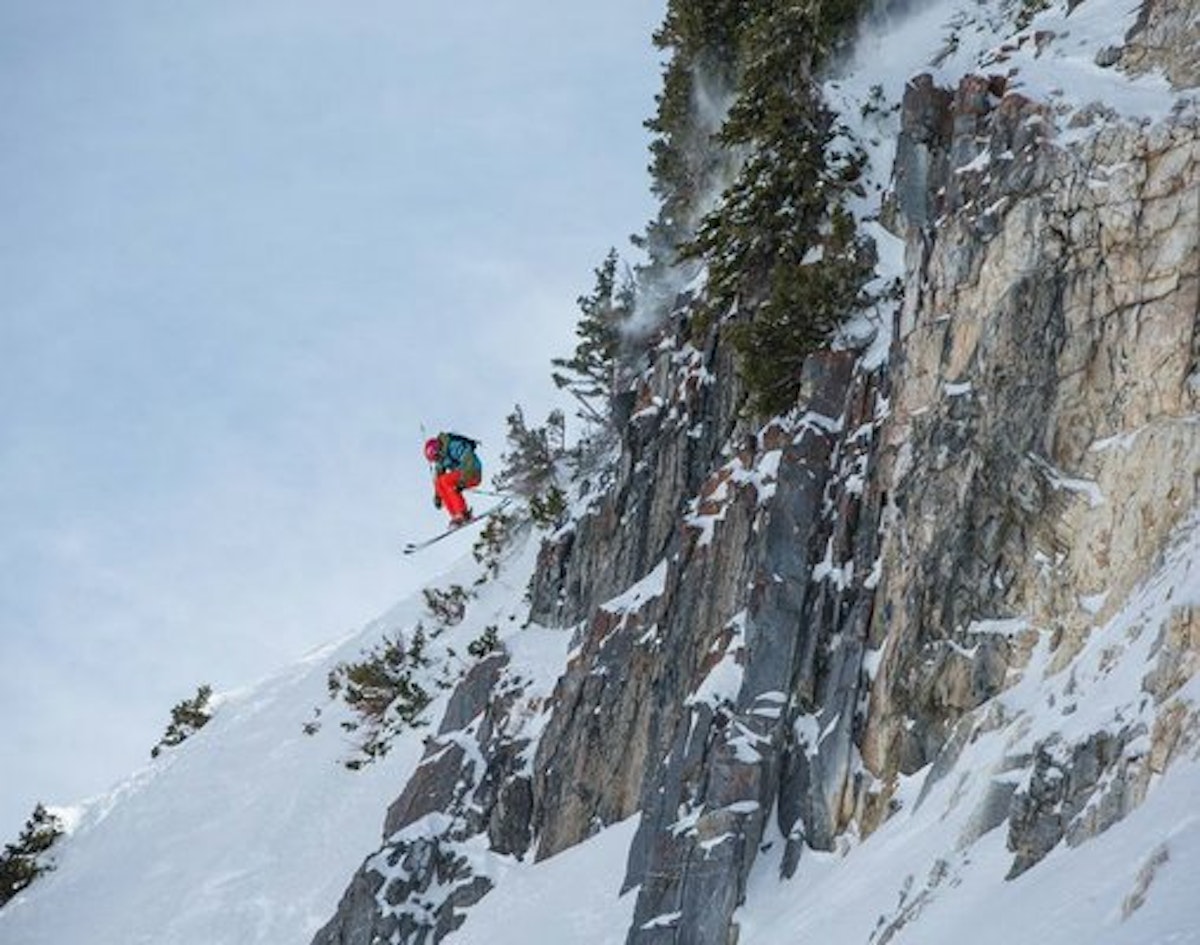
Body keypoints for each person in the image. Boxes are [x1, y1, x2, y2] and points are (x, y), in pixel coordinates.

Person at [424, 432, 482, 527]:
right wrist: (438, 496)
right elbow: (438, 477)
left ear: (438, 450)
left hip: (472, 472)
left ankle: (462, 513)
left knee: (446, 480)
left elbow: (468, 459)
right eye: (434, 460)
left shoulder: (453, 446)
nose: (436, 460)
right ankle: (456, 516)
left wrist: (462, 481)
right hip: (461, 476)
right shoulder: (441, 459)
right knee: (439, 482)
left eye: (436, 457)